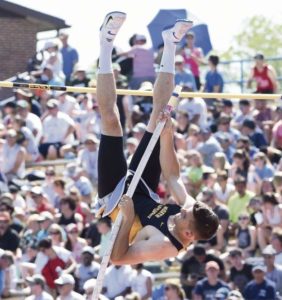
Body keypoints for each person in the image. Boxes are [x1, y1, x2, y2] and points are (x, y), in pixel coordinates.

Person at [95, 12, 218, 265]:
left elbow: (118, 258)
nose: (183, 208)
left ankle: (105, 44)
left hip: (116, 198)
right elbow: (172, 176)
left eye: (184, 215)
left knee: (111, 120)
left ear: (187, 233)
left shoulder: (164, 246)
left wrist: (127, 218)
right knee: (160, 117)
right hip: (145, 188)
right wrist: (168, 135)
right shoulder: (193, 212)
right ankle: (170, 44)